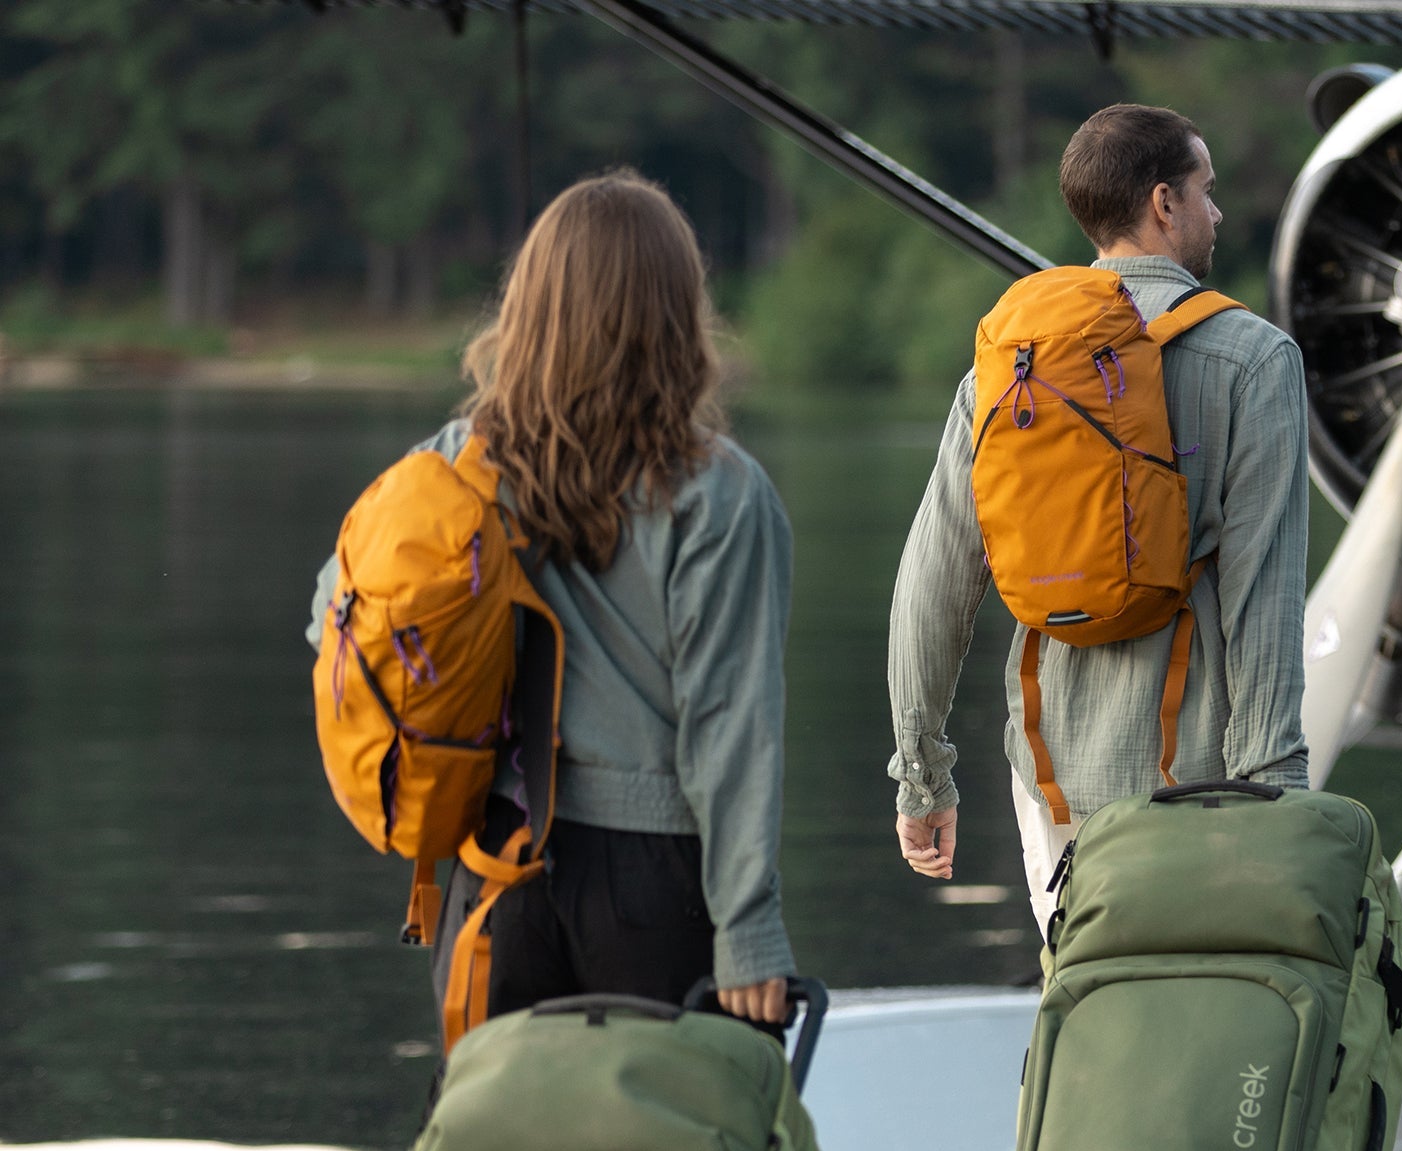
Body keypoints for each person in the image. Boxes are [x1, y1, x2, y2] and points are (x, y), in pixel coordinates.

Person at [309, 173, 795, 1030]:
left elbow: (335, 621)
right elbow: (730, 727)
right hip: (656, 885)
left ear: (528, 308)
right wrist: (748, 931)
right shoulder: (719, 495)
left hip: (495, 868)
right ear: (678, 315)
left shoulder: (458, 462)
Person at [887, 104, 1310, 937]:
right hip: (1209, 794)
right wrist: (1276, 805)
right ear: (1164, 203)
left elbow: (929, 588)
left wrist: (922, 779)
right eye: (1206, 190)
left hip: (1053, 787)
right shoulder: (1255, 361)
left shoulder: (1008, 369)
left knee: (1082, 1022)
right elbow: (1266, 599)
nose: (1216, 212)